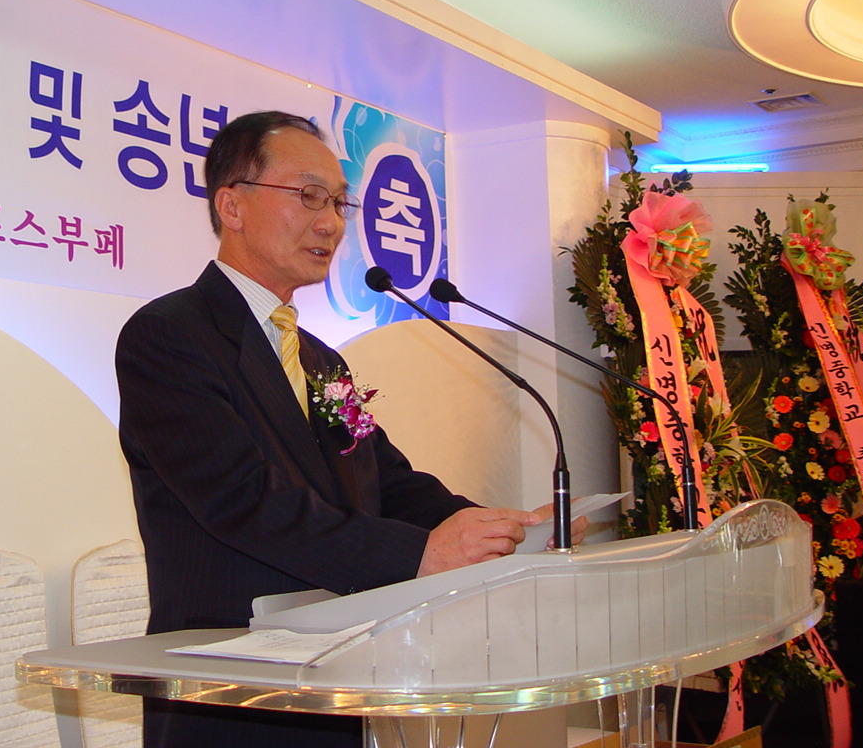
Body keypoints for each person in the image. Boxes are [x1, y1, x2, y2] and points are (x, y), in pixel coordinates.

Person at [115, 111, 574, 748]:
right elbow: (243, 503)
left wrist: (502, 531)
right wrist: (419, 554)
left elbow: (389, 482)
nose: (331, 222)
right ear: (232, 204)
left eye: (338, 202)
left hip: (337, 674)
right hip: (229, 688)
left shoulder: (320, 358)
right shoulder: (170, 336)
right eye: (308, 196)